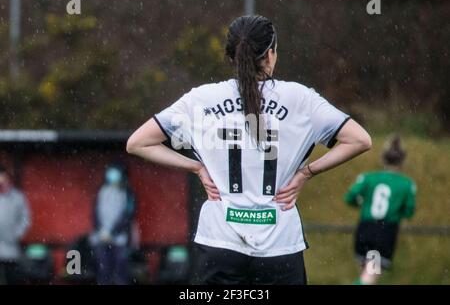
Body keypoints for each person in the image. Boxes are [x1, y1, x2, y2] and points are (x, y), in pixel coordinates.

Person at [127, 15, 372, 285]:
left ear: (232, 56)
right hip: (279, 247)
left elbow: (138, 143)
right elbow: (360, 140)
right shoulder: (300, 99)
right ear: (270, 54)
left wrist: (196, 167)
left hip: (220, 244)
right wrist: (307, 172)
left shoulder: (201, 99)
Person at [344, 135, 416, 285]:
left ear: (383, 159)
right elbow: (409, 211)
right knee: (369, 277)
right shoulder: (406, 184)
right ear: (402, 161)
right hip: (384, 232)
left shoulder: (368, 178)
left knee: (366, 272)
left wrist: (363, 204)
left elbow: (350, 197)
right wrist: (396, 212)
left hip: (364, 229)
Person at [91, 162, 136, 285]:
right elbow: (95, 213)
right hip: (102, 238)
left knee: (120, 271)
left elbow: (128, 215)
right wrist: (102, 232)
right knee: (103, 270)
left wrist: (112, 232)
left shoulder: (127, 193)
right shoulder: (102, 191)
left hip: (120, 239)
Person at [0, 164, 30, 285]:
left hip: (10, 249)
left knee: (12, 277)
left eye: (3, 177)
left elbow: (25, 219)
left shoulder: (17, 197)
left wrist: (16, 234)